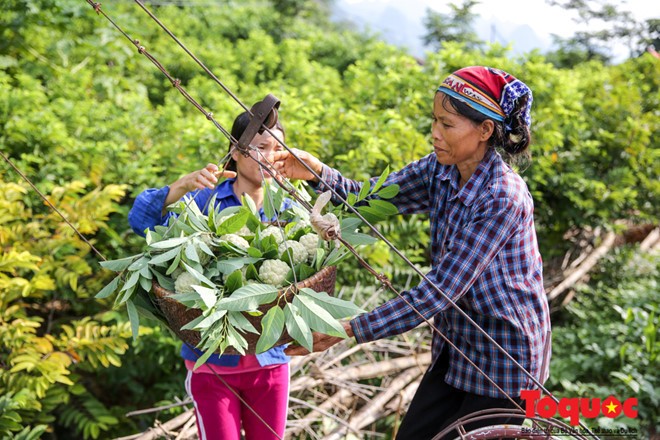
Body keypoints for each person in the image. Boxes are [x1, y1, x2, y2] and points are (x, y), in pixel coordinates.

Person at [274, 66, 552, 439]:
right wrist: (316, 172)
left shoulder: (503, 196)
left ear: (485, 130)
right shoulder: (438, 168)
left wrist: (354, 328)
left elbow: (440, 290)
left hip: (505, 359)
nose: (435, 133)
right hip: (458, 344)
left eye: (448, 124)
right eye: (434, 120)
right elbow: (370, 199)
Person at [128, 106, 291, 440]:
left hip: (269, 361)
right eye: (260, 147)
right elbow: (142, 222)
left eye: (277, 149)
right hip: (213, 365)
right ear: (235, 150)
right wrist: (181, 186)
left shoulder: (288, 208)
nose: (269, 157)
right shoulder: (204, 202)